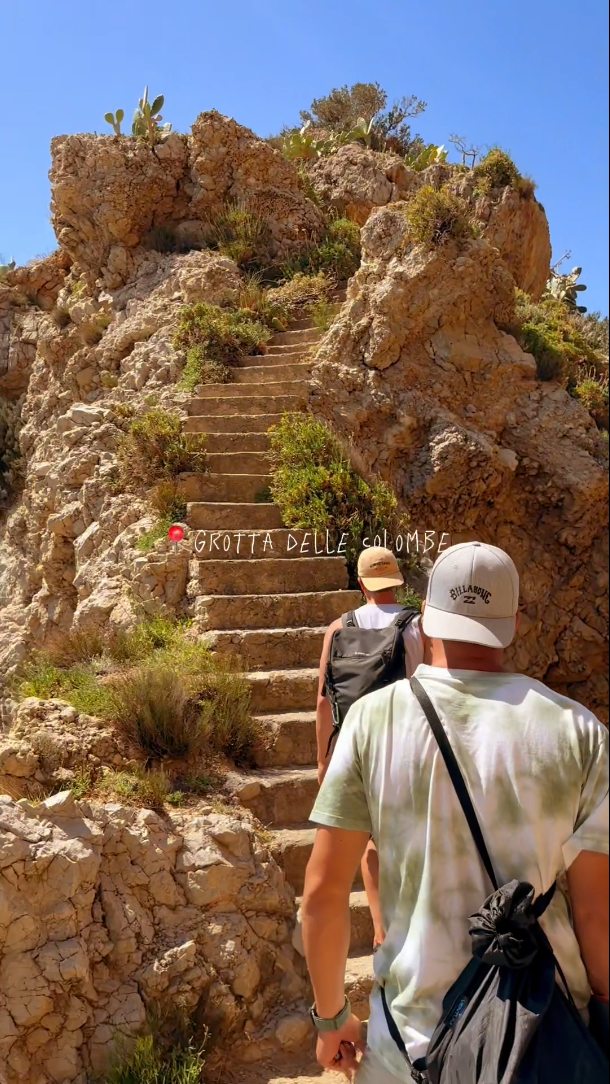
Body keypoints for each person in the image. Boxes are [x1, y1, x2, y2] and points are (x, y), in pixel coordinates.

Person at [302, 541, 609, 1082]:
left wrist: (331, 1019)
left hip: (409, 1046)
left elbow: (324, 896)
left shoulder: (373, 721)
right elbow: (595, 915)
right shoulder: (580, 731)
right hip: (543, 1040)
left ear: (425, 616)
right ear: (514, 619)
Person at [315, 545, 424, 950]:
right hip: (406, 740)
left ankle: (381, 929)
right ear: (397, 581)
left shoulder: (338, 627)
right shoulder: (417, 626)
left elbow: (324, 699)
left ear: (360, 583)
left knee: (370, 839)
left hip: (354, 745)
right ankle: (413, 918)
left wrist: (323, 759)